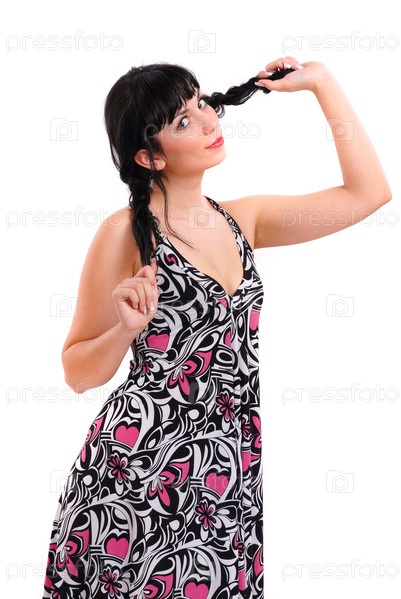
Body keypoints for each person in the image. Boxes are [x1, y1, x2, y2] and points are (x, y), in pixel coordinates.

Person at [42, 56, 391, 599]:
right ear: (149, 156)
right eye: (183, 121)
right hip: (139, 476)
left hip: (228, 476)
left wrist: (322, 84)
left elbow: (368, 194)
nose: (208, 120)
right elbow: (77, 373)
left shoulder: (243, 219)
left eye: (201, 103)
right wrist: (124, 330)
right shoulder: (125, 233)